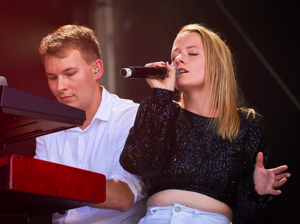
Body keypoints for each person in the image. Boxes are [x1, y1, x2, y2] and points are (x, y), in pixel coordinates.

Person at [119, 23, 290, 224]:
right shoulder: (162, 110)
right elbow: (138, 164)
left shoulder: (248, 124)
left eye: (192, 53)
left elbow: (255, 215)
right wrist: (161, 95)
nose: (178, 59)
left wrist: (257, 192)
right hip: (158, 217)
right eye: (174, 56)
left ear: (217, 64)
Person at [35, 25, 146, 224]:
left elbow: (124, 196)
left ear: (97, 69)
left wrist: (49, 181)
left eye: (69, 74)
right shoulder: (44, 123)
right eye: (52, 78)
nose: (60, 87)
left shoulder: (130, 116)